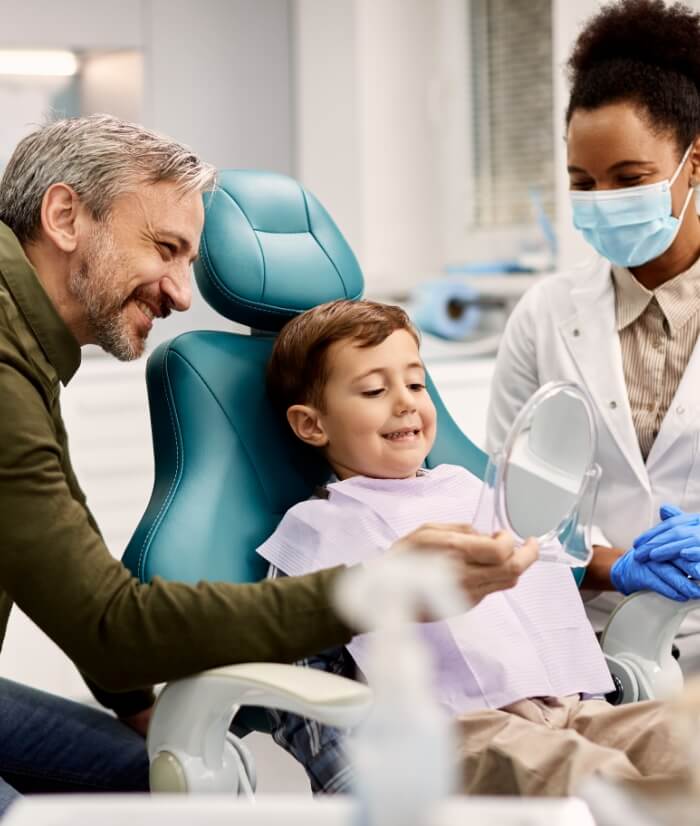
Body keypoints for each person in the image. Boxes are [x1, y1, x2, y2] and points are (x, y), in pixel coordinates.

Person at [0, 115, 527, 813]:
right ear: (66, 216)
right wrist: (378, 588)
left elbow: (64, 563)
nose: (182, 293)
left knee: (149, 779)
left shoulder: (26, 352)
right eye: (165, 248)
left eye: (190, 261)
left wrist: (145, 714)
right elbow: (110, 624)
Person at [257, 297, 688, 797]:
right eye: (374, 389)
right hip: (455, 735)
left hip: (571, 709)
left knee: (680, 740)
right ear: (312, 424)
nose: (405, 402)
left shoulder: (465, 489)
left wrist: (626, 565)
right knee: (593, 780)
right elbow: (298, 684)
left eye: (416, 384)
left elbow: (541, 562)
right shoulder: (317, 531)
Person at [486, 0, 700, 617]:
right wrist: (619, 569)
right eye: (583, 182)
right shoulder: (544, 315)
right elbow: (508, 511)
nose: (602, 200)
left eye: (629, 178)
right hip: (589, 638)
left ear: (695, 165)